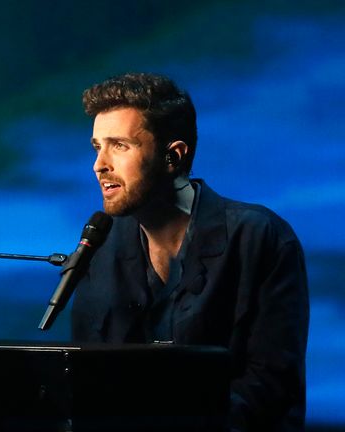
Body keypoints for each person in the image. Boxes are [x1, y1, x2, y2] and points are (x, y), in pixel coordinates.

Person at [70, 72, 309, 431]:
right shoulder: (100, 248)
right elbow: (87, 381)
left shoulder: (261, 237)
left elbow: (271, 389)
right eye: (96, 146)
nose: (99, 164)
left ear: (173, 156)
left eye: (119, 145)